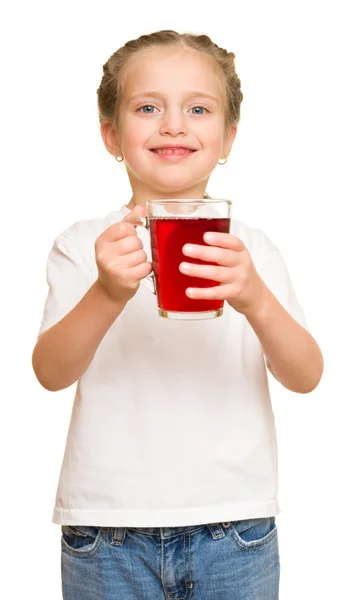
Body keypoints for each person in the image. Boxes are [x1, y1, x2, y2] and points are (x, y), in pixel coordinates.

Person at [32, 29, 323, 600]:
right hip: (106, 532)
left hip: (236, 528)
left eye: (197, 108)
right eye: (147, 107)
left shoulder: (252, 251)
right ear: (111, 135)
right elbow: (50, 371)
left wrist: (256, 299)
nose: (173, 125)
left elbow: (306, 375)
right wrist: (107, 294)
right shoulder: (83, 245)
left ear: (228, 137)